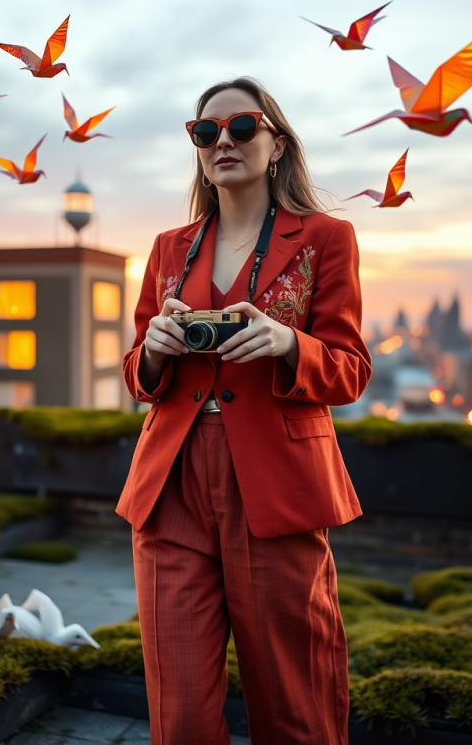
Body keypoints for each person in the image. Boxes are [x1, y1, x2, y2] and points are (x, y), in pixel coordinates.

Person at [118, 76, 372, 745]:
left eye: (241, 127)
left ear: (277, 143)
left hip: (276, 485)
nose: (222, 141)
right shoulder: (170, 248)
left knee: (297, 704)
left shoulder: (326, 239)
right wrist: (155, 349)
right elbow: (137, 376)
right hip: (170, 484)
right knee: (179, 718)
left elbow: (351, 370)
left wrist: (290, 343)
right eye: (206, 132)